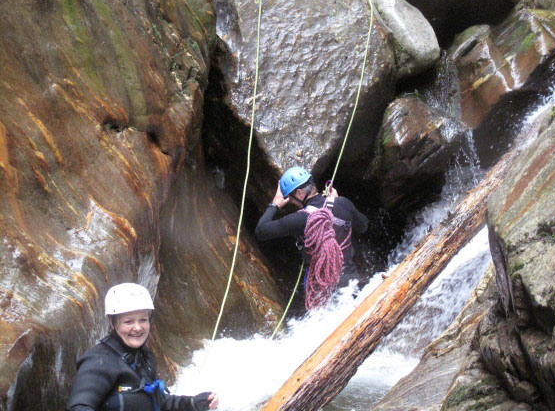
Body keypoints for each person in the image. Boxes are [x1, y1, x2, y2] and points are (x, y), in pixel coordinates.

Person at [67, 283, 219, 411]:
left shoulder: (144, 357)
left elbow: (158, 402)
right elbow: (79, 407)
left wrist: (193, 403)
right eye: (129, 322)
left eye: (143, 320)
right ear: (112, 323)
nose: (138, 328)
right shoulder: (99, 361)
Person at [255, 167, 368, 307]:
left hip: (324, 289)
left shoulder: (300, 219)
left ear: (299, 193)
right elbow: (363, 226)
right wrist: (339, 202)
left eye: (290, 197)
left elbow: (261, 231)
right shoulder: (343, 203)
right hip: (351, 280)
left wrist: (275, 204)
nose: (290, 201)